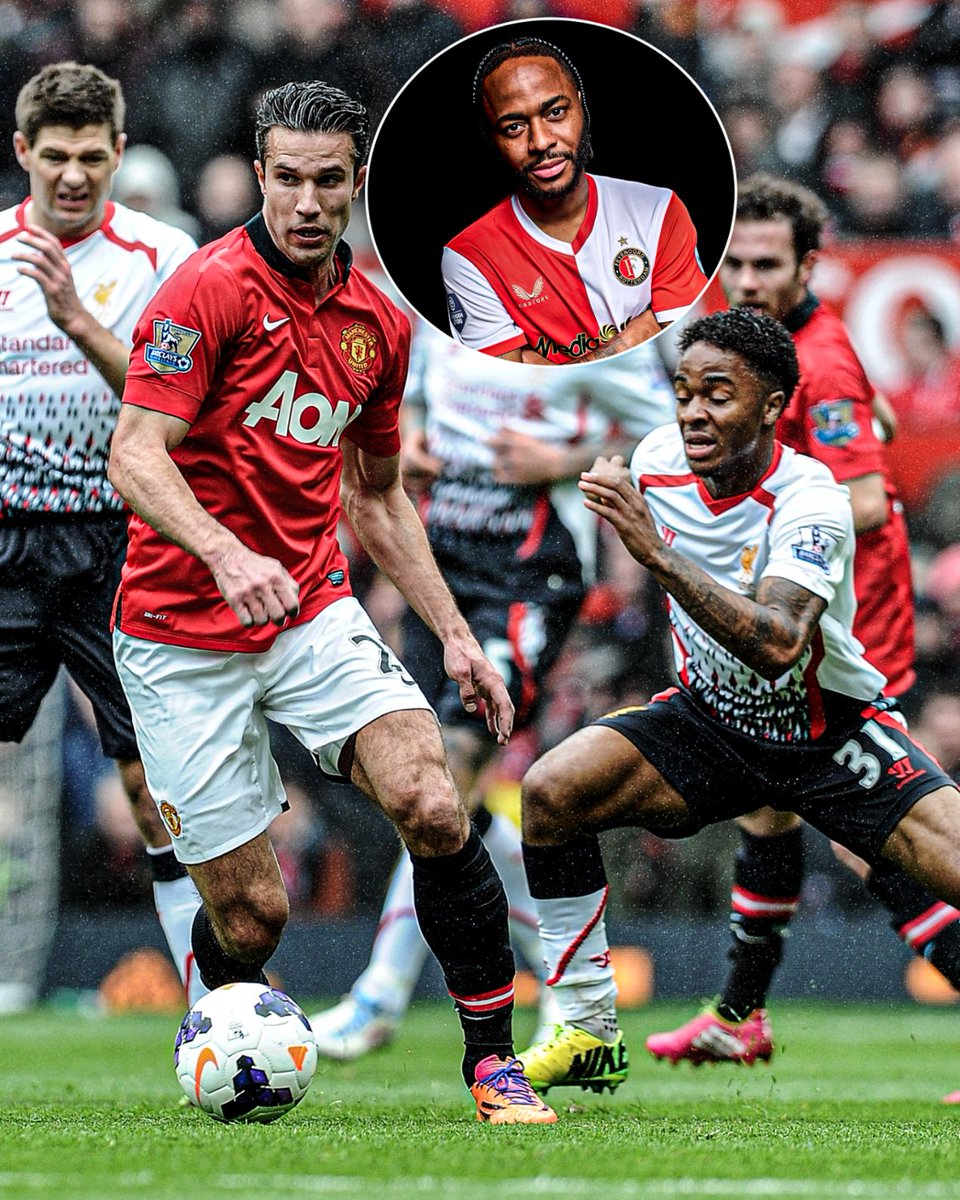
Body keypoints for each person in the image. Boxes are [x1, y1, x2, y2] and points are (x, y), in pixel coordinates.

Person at [107, 80, 555, 1127]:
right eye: (287, 179)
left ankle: (493, 1067)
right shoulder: (201, 291)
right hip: (181, 634)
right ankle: (220, 1025)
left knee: (434, 801)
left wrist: (455, 636)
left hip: (308, 609)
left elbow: (378, 493)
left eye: (328, 181)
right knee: (255, 917)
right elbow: (135, 455)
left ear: (357, 183)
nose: (306, 203)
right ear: (261, 176)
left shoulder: (377, 324)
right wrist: (222, 552)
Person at [516, 308, 960, 1096]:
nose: (693, 410)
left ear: (772, 405)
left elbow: (781, 638)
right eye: (685, 391)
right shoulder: (657, 461)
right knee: (551, 792)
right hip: (709, 725)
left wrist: (652, 551)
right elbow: (608, 465)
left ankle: (738, 1014)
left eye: (718, 393)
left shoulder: (812, 499)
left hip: (828, 732)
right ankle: (586, 1026)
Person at [644, 174, 960, 1072]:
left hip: (853, 637)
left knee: (882, 844)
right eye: (734, 263)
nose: (744, 280)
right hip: (796, 629)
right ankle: (740, 1013)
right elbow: (870, 422)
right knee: (766, 813)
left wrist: (780, 518)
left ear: (808, 266)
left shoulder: (812, 362)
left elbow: (862, 499)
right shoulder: (782, 353)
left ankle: (743, 1010)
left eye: (766, 265)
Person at [309, 320, 675, 1060]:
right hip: (436, 568)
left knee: (445, 771)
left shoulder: (588, 330)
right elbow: (404, 399)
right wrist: (407, 438)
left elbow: (668, 433)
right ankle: (561, 966)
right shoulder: (440, 314)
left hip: (530, 571)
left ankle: (378, 996)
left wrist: (565, 458)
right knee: (443, 798)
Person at [0, 61, 202, 1008]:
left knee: (140, 769)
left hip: (115, 537)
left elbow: (180, 399)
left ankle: (211, 995)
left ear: (119, 153)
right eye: (55, 158)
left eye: (91, 157)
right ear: (23, 155)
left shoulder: (164, 256)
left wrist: (75, 318)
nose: (73, 176)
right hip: (5, 538)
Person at [441, 37, 707, 365]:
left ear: (582, 106)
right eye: (514, 127)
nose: (540, 142)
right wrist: (646, 324)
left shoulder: (658, 210)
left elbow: (687, 341)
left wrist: (542, 361)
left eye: (555, 112)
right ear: (492, 139)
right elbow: (507, 382)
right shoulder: (469, 256)